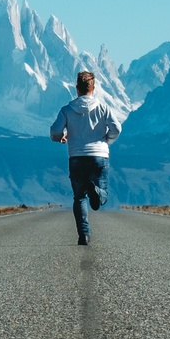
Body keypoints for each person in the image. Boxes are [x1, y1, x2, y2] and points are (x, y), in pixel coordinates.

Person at [49, 69, 121, 246]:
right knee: (102, 197)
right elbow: (116, 128)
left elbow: (55, 131)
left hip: (77, 157)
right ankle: (96, 192)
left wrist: (61, 137)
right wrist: (107, 140)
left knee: (79, 197)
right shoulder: (103, 108)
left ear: (77, 88)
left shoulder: (67, 110)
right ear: (93, 87)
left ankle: (84, 234)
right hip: (99, 156)